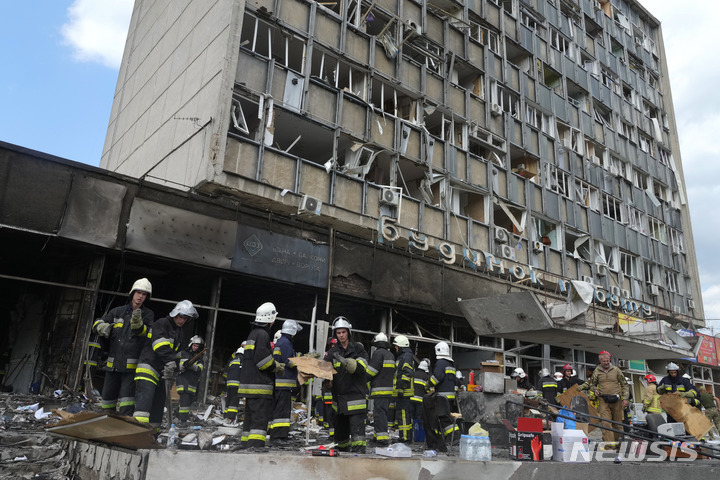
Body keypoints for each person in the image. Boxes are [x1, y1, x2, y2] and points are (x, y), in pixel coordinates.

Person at [92, 278, 154, 416]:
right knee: (107, 400)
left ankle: (123, 427)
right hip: (112, 365)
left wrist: (140, 328)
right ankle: (107, 426)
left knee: (127, 402)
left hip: (130, 369)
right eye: (138, 292)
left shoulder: (148, 315)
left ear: (146, 297)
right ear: (132, 293)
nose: (140, 296)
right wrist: (102, 327)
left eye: (144, 294)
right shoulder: (117, 312)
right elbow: (97, 323)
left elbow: (148, 336)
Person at [133, 300, 198, 424]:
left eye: (186, 319)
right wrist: (170, 361)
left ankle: (153, 435)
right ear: (175, 313)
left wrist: (179, 367)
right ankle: (137, 432)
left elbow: (176, 354)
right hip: (148, 367)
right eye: (181, 317)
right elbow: (160, 345)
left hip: (162, 372)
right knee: (144, 404)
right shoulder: (162, 323)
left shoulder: (179, 332)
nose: (182, 321)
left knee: (158, 405)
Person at [238, 302, 286, 449]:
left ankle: (246, 444)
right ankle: (256, 446)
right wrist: (276, 366)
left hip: (249, 386)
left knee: (250, 418)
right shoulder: (263, 335)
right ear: (271, 319)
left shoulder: (253, 334)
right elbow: (262, 361)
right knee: (259, 419)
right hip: (260, 386)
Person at [325, 316, 369, 453]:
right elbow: (324, 369)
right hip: (339, 401)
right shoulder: (332, 352)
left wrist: (350, 363)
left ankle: (359, 460)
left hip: (355, 398)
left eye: (343, 332)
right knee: (340, 440)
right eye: (338, 333)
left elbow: (363, 367)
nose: (341, 335)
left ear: (348, 332)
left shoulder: (358, 349)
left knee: (358, 438)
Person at [577, 351, 629, 446]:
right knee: (606, 423)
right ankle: (609, 445)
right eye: (604, 361)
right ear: (600, 361)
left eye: (608, 361)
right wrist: (595, 390)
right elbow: (592, 384)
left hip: (616, 399)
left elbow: (624, 384)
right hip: (603, 400)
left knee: (618, 423)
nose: (606, 363)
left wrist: (625, 398)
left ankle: (620, 445)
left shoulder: (616, 370)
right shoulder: (597, 371)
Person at [269, 319, 302, 445]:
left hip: (279, 383)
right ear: (292, 331)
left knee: (278, 410)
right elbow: (289, 362)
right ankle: (278, 437)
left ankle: (277, 436)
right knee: (282, 412)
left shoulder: (280, 342)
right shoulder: (286, 343)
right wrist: (301, 360)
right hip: (284, 384)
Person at [423, 341, 460, 451]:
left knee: (442, 418)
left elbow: (437, 377)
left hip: (442, 396)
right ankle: (451, 437)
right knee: (445, 417)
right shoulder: (451, 364)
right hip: (449, 396)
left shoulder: (441, 363)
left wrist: (428, 384)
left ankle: (455, 436)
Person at [366, 332, 394, 445]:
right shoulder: (390, 355)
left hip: (379, 389)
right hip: (388, 390)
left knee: (379, 415)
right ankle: (377, 436)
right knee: (382, 414)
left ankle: (381, 439)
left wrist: (362, 378)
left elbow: (372, 371)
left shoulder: (378, 353)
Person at [176, 335, 205, 424]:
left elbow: (200, 368)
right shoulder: (182, 353)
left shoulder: (199, 357)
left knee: (188, 401)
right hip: (183, 380)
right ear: (191, 344)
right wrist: (181, 366)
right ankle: (183, 421)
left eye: (197, 346)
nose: (195, 347)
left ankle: (177, 413)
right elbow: (174, 362)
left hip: (192, 382)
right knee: (185, 400)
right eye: (194, 345)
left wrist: (192, 366)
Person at [393, 334, 414, 443]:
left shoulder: (406, 356)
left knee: (404, 416)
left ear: (401, 346)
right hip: (402, 392)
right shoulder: (404, 356)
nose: (395, 348)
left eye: (396, 346)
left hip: (404, 392)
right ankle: (404, 436)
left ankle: (405, 438)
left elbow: (407, 372)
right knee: (403, 415)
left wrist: (401, 387)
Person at [224, 343, 244, 422]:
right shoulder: (243, 360)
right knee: (234, 400)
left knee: (228, 399)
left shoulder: (232, 360)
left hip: (229, 383)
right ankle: (230, 418)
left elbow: (226, 371)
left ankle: (225, 415)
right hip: (236, 384)